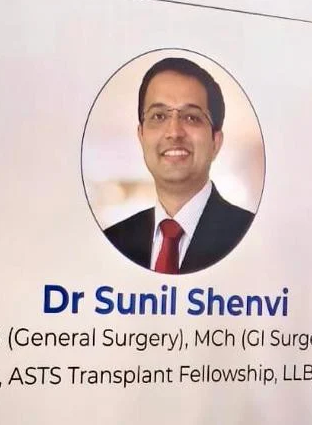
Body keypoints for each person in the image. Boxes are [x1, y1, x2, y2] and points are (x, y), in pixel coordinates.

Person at [103, 56, 254, 273]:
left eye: (191, 117)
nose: (174, 132)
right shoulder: (113, 240)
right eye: (158, 116)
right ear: (141, 136)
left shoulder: (250, 236)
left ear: (215, 142)